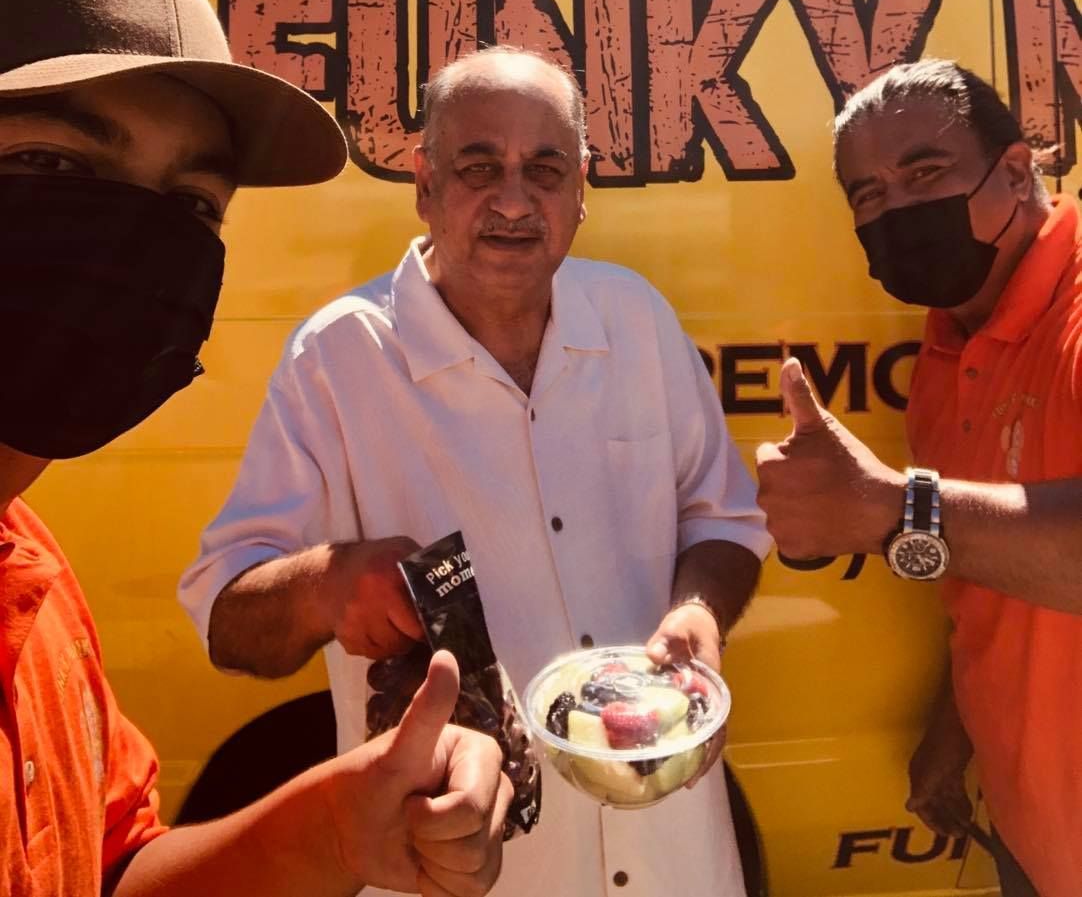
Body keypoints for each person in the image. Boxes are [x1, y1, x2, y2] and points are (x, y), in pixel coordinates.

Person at [180, 45, 771, 897]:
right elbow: (224, 612)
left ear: (581, 191)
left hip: (678, 856)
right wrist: (330, 583)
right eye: (478, 165)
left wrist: (696, 614)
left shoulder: (636, 318)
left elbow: (724, 520)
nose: (513, 201)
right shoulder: (338, 358)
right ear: (423, 182)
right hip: (465, 873)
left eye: (545, 169)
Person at [0, 0, 510, 897]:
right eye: (55, 166)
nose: (129, 249)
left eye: (193, 204)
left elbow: (109, 868)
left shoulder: (32, 569)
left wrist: (335, 829)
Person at [756, 58, 1082, 897]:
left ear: (1016, 170)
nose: (896, 209)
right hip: (1033, 839)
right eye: (867, 194)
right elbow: (992, 566)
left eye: (924, 172)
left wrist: (891, 510)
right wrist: (956, 730)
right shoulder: (943, 353)